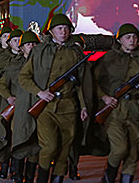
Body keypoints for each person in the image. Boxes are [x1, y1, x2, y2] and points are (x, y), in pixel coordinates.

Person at [19, 14, 90, 183]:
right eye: (59, 29)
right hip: (46, 108)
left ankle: (57, 178)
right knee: (49, 147)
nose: (63, 32)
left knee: (65, 148)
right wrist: (39, 92)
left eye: (66, 29)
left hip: (69, 107)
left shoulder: (76, 53)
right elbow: (24, 77)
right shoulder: (39, 51)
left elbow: (81, 83)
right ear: (51, 31)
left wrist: (84, 106)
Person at [94, 23, 139, 183]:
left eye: (135, 37)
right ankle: (108, 177)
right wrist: (104, 97)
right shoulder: (108, 58)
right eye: (128, 37)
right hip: (114, 109)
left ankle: (126, 179)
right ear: (120, 40)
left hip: (136, 110)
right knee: (120, 148)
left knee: (134, 150)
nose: (132, 40)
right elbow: (93, 82)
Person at [0, 29, 23, 178]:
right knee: (5, 132)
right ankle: (4, 163)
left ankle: (16, 166)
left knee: (18, 134)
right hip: (5, 101)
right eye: (14, 40)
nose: (18, 43)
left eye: (20, 40)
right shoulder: (2, 58)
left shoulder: (27, 58)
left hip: (22, 102)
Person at [8, 31, 41, 183]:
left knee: (36, 144)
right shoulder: (14, 64)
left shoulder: (43, 64)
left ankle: (29, 177)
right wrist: (9, 97)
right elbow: (3, 83)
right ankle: (17, 174)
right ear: (22, 48)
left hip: (39, 106)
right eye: (28, 44)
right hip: (21, 108)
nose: (32, 47)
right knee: (20, 140)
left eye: (35, 44)